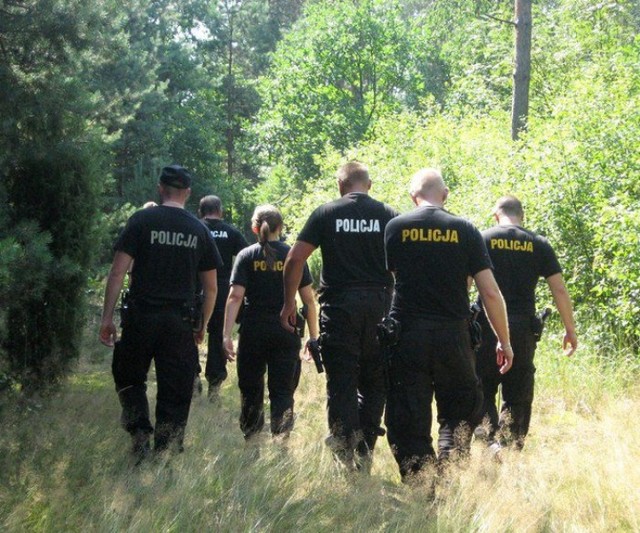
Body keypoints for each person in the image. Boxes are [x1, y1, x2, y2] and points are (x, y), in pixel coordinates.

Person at [383, 168, 513, 482]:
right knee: (459, 412)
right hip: (454, 337)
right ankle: (449, 476)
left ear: (412, 196)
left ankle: (421, 483)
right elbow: (491, 292)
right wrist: (504, 341)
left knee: (408, 413)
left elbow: (391, 281)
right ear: (445, 194)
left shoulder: (395, 227)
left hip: (407, 336)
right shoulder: (465, 230)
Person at [99, 164, 222, 463]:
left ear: (160, 188)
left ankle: (139, 430)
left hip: (141, 316)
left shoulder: (141, 220)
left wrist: (106, 319)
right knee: (176, 386)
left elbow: (117, 273)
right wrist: (202, 324)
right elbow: (212, 288)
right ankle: (166, 448)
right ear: (188, 193)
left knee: (128, 376)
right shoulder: (198, 229)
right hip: (179, 322)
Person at [280, 161, 398, 472]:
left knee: (342, 380)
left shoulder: (326, 213)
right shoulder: (389, 216)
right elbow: (407, 266)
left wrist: (289, 302)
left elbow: (294, 258)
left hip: (340, 308)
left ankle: (344, 449)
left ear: (340, 185)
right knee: (376, 380)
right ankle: (365, 448)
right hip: (380, 307)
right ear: (368, 185)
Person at [475, 195, 577, 450]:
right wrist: (569, 329)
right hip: (522, 328)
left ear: (495, 214)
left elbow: (464, 283)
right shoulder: (538, 244)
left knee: (482, 385)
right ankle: (508, 447)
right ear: (522, 215)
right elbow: (560, 290)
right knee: (518, 390)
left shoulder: (483, 239)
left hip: (487, 325)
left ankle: (489, 443)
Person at [223, 205, 318, 440]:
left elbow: (235, 297)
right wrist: (313, 337)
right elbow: (309, 300)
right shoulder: (293, 255)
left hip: (253, 331)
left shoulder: (246, 255)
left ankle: (252, 439)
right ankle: (282, 440)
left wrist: (226, 335)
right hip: (286, 330)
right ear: (281, 227)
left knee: (250, 388)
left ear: (254, 227)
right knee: (283, 390)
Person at [196, 195, 249, 400]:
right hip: (222, 291)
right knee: (218, 335)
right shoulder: (231, 232)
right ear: (220, 210)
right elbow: (247, 256)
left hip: (195, 290)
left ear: (201, 211)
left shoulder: (195, 227)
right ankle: (215, 387)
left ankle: (192, 376)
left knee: (190, 334)